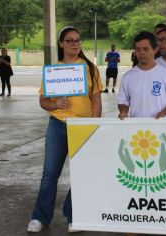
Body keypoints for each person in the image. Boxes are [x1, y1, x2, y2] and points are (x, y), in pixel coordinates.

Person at [27, 26, 103, 233]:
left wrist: (94, 124)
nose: (75, 44)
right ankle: (40, 217)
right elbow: (43, 99)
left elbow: (96, 100)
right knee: (50, 173)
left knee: (80, 174)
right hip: (58, 126)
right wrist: (55, 105)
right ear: (61, 44)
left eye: (78, 40)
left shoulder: (90, 68)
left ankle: (74, 215)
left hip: (82, 126)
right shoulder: (54, 70)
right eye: (70, 41)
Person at [117, 31, 166, 119]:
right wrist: (123, 111)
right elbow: (123, 101)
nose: (142, 53)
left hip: (160, 127)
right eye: (138, 49)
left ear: (155, 50)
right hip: (136, 128)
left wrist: (163, 113)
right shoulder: (128, 77)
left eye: (146, 49)